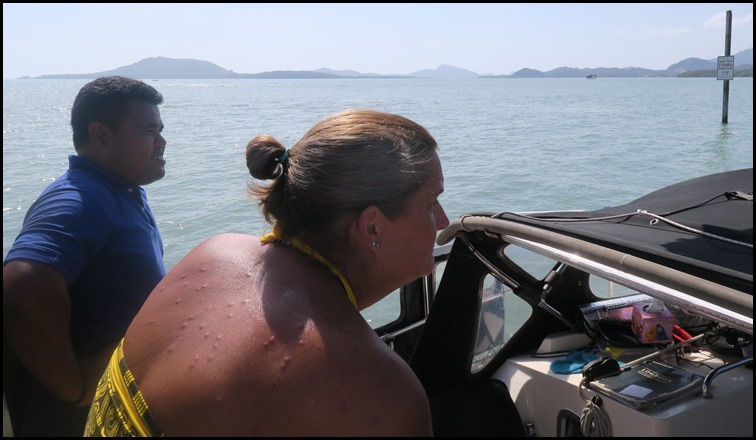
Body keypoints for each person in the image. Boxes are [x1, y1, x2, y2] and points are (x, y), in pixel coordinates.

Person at [84, 109, 448, 436]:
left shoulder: (215, 251)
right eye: (431, 204)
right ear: (373, 228)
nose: (445, 221)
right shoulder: (380, 391)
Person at [3, 76, 168, 436]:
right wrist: (75, 389)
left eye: (160, 130)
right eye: (148, 131)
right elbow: (22, 282)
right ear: (101, 135)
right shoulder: (80, 198)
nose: (161, 141)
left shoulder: (120, 189)